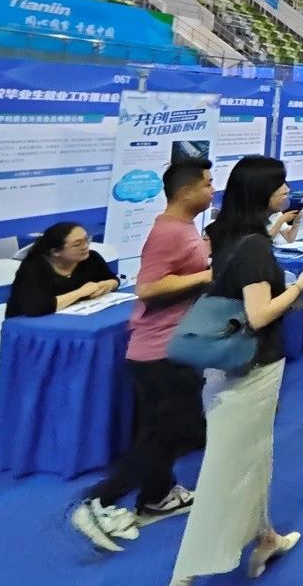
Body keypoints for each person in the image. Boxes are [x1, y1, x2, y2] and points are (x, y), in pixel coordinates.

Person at [169, 157, 303, 586]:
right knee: (227, 468)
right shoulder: (253, 247)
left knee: (255, 457)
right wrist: (300, 286)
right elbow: (259, 314)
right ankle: (184, 573)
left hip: (226, 364)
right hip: (254, 365)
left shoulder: (226, 232)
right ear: (261, 191)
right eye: (280, 184)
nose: (286, 190)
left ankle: (266, 536)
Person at [70, 160, 215, 552]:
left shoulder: (185, 228)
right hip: (159, 351)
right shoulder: (167, 232)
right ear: (185, 191)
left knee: (159, 431)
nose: (212, 189)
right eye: (207, 183)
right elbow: (148, 288)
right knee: (176, 431)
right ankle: (98, 502)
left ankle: (156, 497)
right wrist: (207, 276)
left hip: (173, 345)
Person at [5, 222, 119, 317]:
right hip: (30, 326)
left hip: (73, 318)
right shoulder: (33, 267)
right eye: (77, 244)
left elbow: (113, 279)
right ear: (55, 251)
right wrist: (81, 292)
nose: (85, 246)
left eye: (86, 239)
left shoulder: (91, 257)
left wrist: (108, 284)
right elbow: (36, 308)